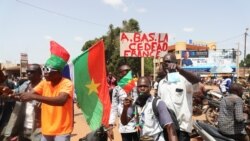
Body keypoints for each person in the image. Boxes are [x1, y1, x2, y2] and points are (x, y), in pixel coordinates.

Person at [19, 41, 74, 141]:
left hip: (62, 130)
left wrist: (33, 97)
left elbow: (61, 100)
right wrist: (11, 94)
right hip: (47, 129)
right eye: (44, 69)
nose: (44, 73)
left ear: (58, 72)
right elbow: (29, 95)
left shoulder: (67, 83)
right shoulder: (44, 83)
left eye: (47, 70)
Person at [158, 53, 200, 141]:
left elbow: (196, 80)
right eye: (164, 62)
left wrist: (180, 69)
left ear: (176, 63)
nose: (166, 64)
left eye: (169, 62)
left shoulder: (184, 80)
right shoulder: (162, 83)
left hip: (182, 128)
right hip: (168, 127)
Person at [121, 76, 178, 141]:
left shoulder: (158, 103)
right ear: (137, 88)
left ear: (150, 88)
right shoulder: (136, 105)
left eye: (145, 86)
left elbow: (170, 127)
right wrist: (125, 109)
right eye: (140, 86)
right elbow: (124, 122)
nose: (142, 88)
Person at [1, 64, 43, 141]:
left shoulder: (46, 87)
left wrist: (29, 99)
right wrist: (8, 92)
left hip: (38, 128)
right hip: (23, 125)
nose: (29, 74)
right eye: (27, 72)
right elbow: (15, 93)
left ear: (40, 74)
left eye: (32, 72)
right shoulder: (26, 84)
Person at [108, 64, 139, 141]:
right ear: (120, 74)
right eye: (123, 72)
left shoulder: (138, 86)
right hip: (124, 124)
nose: (126, 73)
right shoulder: (117, 89)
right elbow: (114, 107)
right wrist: (111, 124)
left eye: (128, 71)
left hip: (137, 123)